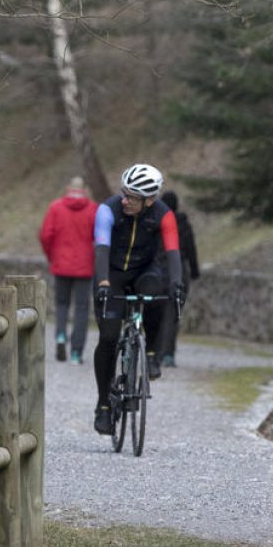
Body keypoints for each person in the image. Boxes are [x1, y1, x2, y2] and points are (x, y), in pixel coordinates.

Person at [91, 163, 185, 436]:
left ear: (150, 199)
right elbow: (101, 248)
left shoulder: (163, 215)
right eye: (124, 193)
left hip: (145, 270)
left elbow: (173, 253)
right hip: (111, 272)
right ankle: (104, 405)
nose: (125, 200)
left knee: (158, 295)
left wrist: (177, 284)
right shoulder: (108, 210)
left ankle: (153, 353)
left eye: (132, 197)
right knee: (108, 338)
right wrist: (104, 284)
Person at [39, 176, 98, 365]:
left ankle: (61, 336)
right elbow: (100, 237)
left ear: (67, 188)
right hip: (84, 266)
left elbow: (46, 235)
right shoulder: (93, 209)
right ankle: (76, 352)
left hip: (61, 264)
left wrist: (52, 256)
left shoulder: (56, 207)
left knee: (62, 304)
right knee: (81, 309)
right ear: (85, 189)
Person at [158, 190, 199, 368]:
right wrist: (195, 270)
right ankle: (168, 354)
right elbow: (191, 248)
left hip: (158, 269)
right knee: (173, 314)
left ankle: (155, 351)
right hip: (180, 270)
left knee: (156, 313)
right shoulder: (183, 223)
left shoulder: (155, 222)